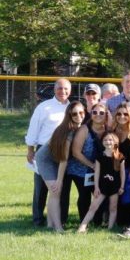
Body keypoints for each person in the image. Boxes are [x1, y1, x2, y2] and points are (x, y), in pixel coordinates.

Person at [25, 78, 71, 227]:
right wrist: (30, 149)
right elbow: (34, 128)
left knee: (62, 187)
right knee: (40, 188)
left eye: (65, 89)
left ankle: (61, 219)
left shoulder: (73, 108)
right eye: (59, 88)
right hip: (43, 151)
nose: (62, 91)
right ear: (54, 89)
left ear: (70, 90)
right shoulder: (44, 107)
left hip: (64, 152)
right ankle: (38, 219)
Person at [33, 101, 84, 231]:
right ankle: (58, 228)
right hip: (46, 160)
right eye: (74, 114)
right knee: (56, 191)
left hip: (56, 159)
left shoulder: (78, 127)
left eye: (81, 112)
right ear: (69, 115)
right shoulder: (68, 132)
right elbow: (64, 159)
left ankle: (50, 224)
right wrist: (60, 180)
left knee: (53, 192)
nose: (78, 116)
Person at [67, 102, 108, 224]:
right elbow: (75, 152)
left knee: (100, 194)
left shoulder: (108, 129)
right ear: (90, 114)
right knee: (85, 194)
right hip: (80, 169)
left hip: (98, 170)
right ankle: (84, 221)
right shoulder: (84, 129)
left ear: (106, 114)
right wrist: (92, 166)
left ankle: (98, 221)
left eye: (102, 113)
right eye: (94, 112)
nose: (98, 115)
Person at [78, 131, 126, 232]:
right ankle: (82, 226)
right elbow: (97, 173)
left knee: (113, 207)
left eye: (110, 140)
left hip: (115, 186)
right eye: (105, 140)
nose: (108, 142)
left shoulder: (120, 157)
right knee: (93, 206)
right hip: (102, 186)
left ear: (115, 142)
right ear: (102, 142)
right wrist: (96, 187)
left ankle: (110, 227)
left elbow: (122, 173)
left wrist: (121, 186)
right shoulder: (100, 157)